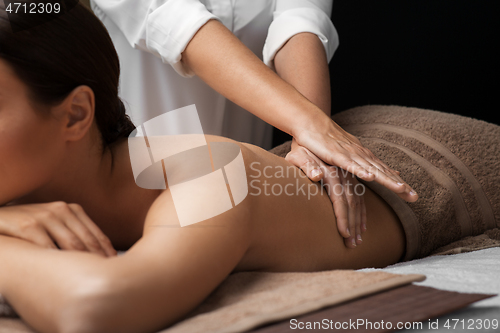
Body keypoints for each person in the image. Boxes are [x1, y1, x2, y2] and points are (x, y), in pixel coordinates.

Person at [2, 3, 498, 333]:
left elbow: (95, 308)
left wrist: (310, 127)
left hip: (436, 153)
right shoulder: (29, 172)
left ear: (75, 114)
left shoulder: (206, 174)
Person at [90, 0, 419, 248]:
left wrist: (312, 144)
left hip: (253, 181)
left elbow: (300, 21)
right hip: (141, 183)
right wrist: (309, 122)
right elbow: (176, 23)